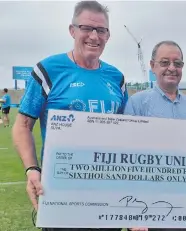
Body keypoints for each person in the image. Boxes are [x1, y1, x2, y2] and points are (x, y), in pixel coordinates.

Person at [12, 1, 127, 231]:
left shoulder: (117, 78)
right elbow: (23, 124)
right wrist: (32, 169)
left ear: (108, 35)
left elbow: (124, 133)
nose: (94, 36)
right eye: (86, 28)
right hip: (62, 195)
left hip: (108, 199)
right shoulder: (48, 70)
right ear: (72, 30)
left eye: (101, 30)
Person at [124, 40, 186, 231]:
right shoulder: (138, 103)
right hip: (150, 210)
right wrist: (133, 212)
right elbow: (126, 159)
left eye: (178, 63)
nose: (172, 68)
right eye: (165, 62)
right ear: (152, 66)